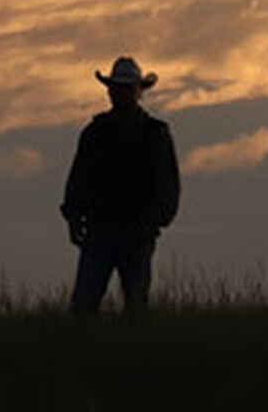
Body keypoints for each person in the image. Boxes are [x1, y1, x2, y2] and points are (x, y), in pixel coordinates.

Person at [59, 55, 180, 316]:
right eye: (117, 88)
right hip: (101, 231)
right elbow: (78, 179)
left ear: (138, 92)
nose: (120, 94)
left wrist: (154, 221)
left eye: (126, 88)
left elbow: (168, 186)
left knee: (133, 305)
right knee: (85, 306)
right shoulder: (96, 133)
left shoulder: (153, 134)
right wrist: (73, 216)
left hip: (134, 233)